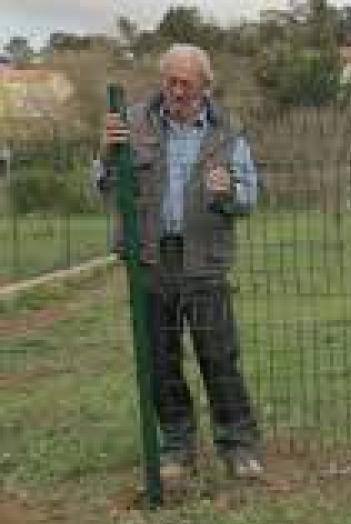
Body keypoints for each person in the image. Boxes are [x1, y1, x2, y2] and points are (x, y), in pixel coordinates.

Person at [97, 44, 263, 479]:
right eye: (169, 80)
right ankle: (176, 447)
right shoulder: (131, 123)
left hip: (205, 260)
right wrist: (106, 153)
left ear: (205, 86)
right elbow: (104, 187)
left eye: (185, 83)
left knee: (219, 356)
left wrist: (229, 191)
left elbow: (250, 200)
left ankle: (239, 446)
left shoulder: (228, 132)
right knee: (160, 359)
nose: (175, 90)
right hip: (150, 259)